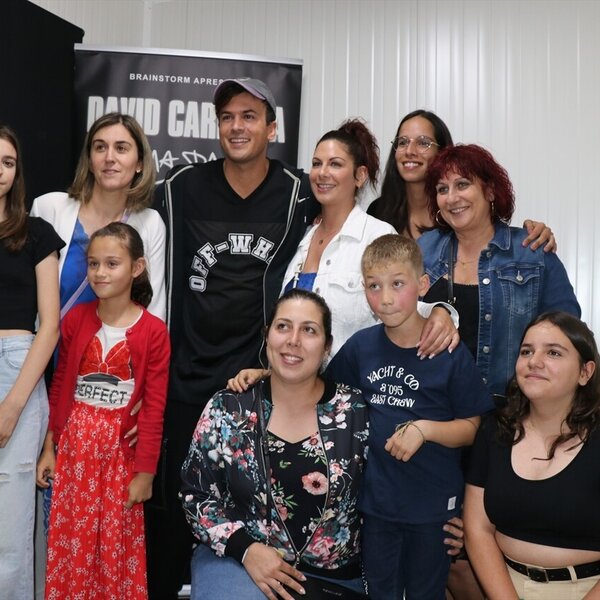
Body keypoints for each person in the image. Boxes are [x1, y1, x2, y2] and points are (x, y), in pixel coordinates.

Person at [146, 77, 316, 599]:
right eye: (227, 117)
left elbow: (363, 232)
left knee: (257, 518)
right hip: (187, 380)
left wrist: (436, 299)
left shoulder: (299, 193)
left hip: (259, 385)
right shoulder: (180, 188)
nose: (237, 126)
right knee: (172, 519)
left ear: (272, 128)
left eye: (249, 116)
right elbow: (122, 218)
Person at [323, 234, 493, 599]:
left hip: (434, 508)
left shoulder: (448, 350)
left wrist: (424, 430)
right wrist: (266, 376)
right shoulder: (361, 347)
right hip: (377, 506)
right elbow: (320, 392)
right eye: (374, 286)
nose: (385, 298)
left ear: (422, 285)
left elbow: (472, 428)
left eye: (397, 284)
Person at [181, 288, 368, 600]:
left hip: (333, 580)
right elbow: (195, 495)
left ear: (327, 346)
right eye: (283, 326)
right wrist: (245, 548)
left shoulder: (356, 412)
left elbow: (392, 488)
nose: (293, 340)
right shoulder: (229, 407)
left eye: (309, 330)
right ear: (267, 336)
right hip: (239, 563)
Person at [36, 222, 170, 599]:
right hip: (75, 453)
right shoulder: (75, 320)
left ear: (137, 267)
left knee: (114, 545)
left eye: (112, 264)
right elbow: (60, 387)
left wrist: (145, 473)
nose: (99, 273)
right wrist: (50, 447)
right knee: (73, 544)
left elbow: (154, 407)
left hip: (119, 457)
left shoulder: (154, 331)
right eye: (93, 264)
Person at [282, 118, 459, 359]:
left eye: (335, 164)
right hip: (296, 378)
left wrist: (440, 312)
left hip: (356, 380)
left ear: (360, 175)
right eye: (316, 163)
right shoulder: (302, 239)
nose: (322, 173)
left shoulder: (378, 236)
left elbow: (406, 308)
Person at [419, 143, 581, 399]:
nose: (451, 198)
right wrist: (432, 310)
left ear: (491, 191)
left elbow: (567, 334)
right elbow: (396, 314)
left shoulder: (532, 251)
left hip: (510, 409)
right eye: (442, 189)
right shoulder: (424, 249)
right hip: (432, 405)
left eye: (462, 184)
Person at [464, 311, 600, 600]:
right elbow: (478, 529)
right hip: (506, 587)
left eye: (553, 352)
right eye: (526, 351)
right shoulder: (494, 430)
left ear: (585, 372)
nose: (534, 361)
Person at [0, 126, 64, 600]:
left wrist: (13, 405)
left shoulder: (36, 233)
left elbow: (51, 326)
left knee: (10, 527)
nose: (0, 171)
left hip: (17, 369)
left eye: (8, 162)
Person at [31, 112, 166, 320]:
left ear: (139, 163)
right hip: (46, 341)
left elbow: (153, 312)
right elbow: (20, 293)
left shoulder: (151, 223)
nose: (109, 158)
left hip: (119, 342)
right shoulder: (48, 209)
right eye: (100, 147)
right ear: (90, 161)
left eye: (121, 148)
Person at [367, 109, 555, 251]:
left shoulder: (459, 208)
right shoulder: (377, 211)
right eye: (402, 142)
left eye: (423, 142)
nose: (409, 151)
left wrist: (535, 233)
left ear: (443, 152)